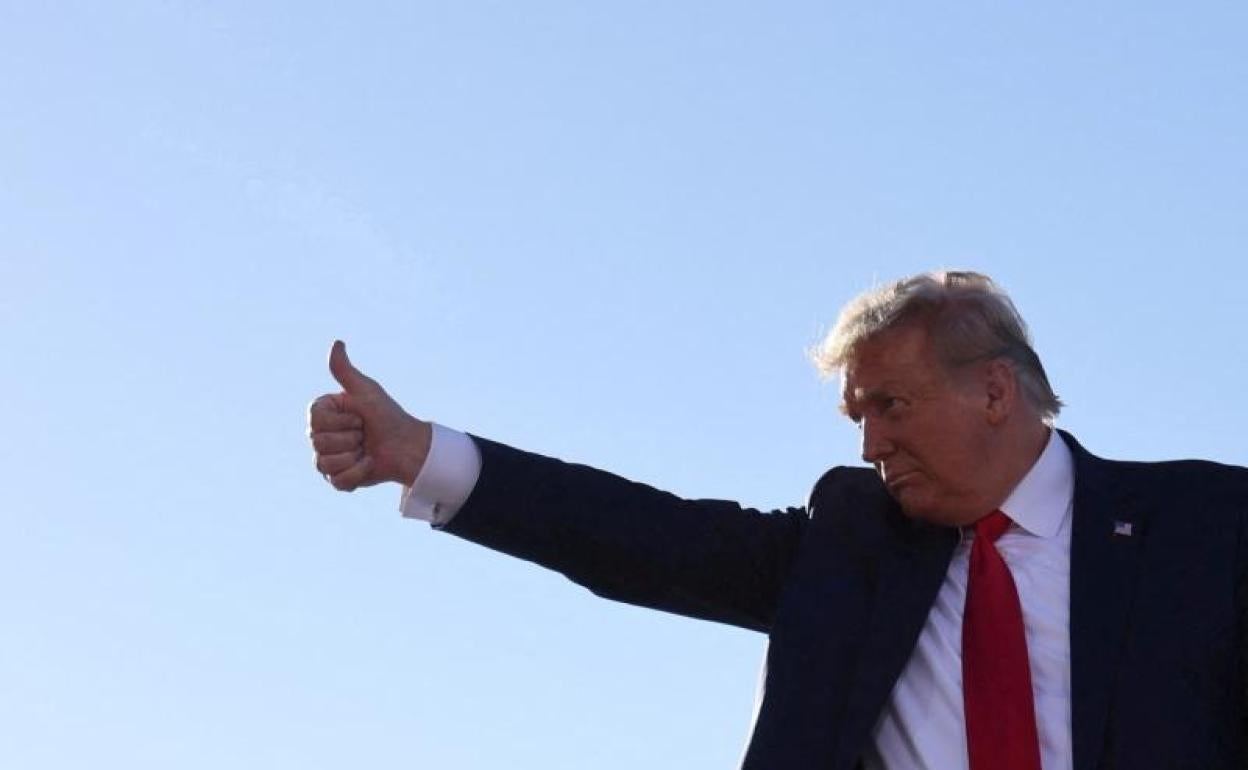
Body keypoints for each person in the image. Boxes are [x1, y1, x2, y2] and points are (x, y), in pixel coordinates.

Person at [307, 271, 1248, 770]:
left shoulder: (1208, 526)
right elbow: (644, 538)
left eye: (891, 406)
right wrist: (423, 451)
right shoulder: (853, 542)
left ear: (995, 392)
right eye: (856, 416)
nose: (870, 444)